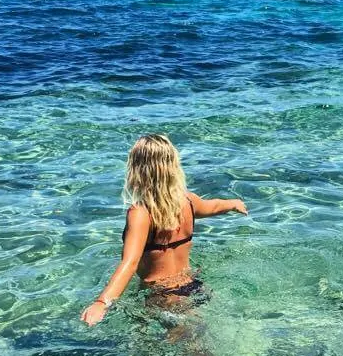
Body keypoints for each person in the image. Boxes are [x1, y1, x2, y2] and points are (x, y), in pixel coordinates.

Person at [80, 134, 247, 326]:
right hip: (194, 286)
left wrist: (102, 302)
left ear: (137, 169)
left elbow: (131, 262)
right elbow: (214, 206)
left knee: (156, 348)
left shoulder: (140, 213)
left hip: (163, 296)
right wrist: (233, 203)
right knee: (195, 344)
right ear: (173, 167)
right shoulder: (188, 201)